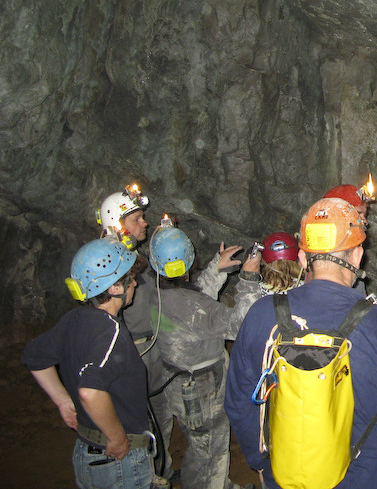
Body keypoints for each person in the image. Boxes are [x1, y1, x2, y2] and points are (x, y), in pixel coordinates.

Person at [226, 197, 377, 488]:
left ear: (302, 258)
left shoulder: (261, 315)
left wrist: (259, 461)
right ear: (358, 256)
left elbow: (238, 403)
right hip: (364, 478)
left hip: (285, 477)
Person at [97, 185, 242, 485]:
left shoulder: (139, 265)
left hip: (163, 362)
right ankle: (154, 476)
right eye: (136, 219)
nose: (144, 223)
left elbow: (181, 299)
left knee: (162, 428)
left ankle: (162, 472)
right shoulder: (111, 273)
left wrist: (215, 268)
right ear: (117, 225)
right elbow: (190, 305)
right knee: (146, 430)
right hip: (137, 362)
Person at [22, 238, 154, 489]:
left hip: (87, 449)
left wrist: (63, 401)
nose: (135, 283)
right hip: (117, 460)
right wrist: (116, 437)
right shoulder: (111, 332)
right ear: (116, 287)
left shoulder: (74, 318)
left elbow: (34, 357)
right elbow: (90, 392)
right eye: (130, 278)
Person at [147, 220, 259, 489]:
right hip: (201, 391)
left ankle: (216, 482)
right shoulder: (194, 307)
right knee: (208, 450)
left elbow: (194, 303)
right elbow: (239, 325)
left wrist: (215, 269)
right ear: (189, 259)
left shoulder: (156, 294)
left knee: (199, 445)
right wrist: (248, 279)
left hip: (175, 381)